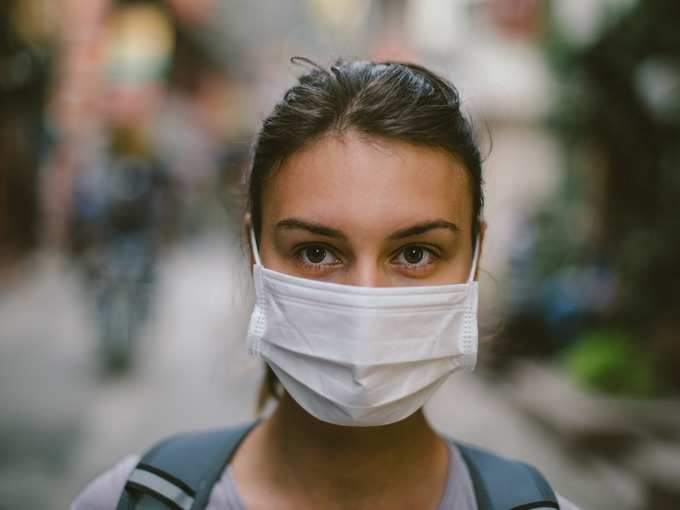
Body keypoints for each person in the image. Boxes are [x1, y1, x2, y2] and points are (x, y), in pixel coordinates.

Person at [72, 58, 581, 510]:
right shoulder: (131, 501)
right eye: (316, 253)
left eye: (414, 253)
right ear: (255, 253)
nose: (365, 298)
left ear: (475, 255)